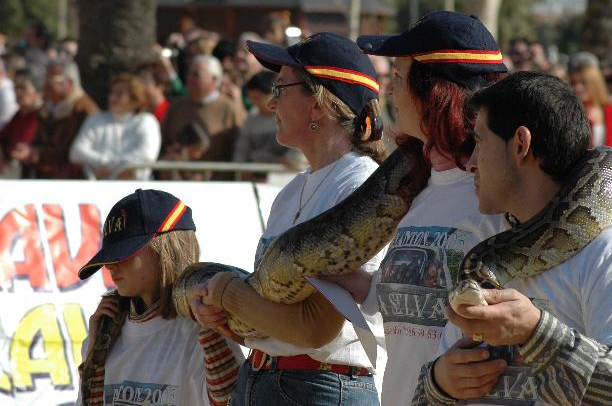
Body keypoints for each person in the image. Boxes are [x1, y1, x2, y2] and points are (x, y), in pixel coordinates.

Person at [417, 72, 612, 404]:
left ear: (521, 144)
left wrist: (536, 332)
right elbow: (423, 397)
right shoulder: (480, 246)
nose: (471, 163)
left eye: (479, 142)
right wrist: (440, 383)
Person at [190, 32, 387, 405]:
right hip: (272, 379)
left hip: (320, 388)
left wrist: (228, 295)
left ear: (318, 104)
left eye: (281, 88)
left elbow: (314, 329)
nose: (270, 101)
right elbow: (275, 316)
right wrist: (226, 319)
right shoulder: (292, 191)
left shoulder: (359, 187)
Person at [327, 11, 509, 406]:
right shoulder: (418, 188)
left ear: (434, 92)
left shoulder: (499, 198)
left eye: (396, 78)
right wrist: (354, 282)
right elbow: (414, 309)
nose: (388, 92)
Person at [75, 189, 243, 405]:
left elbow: (228, 401)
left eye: (123, 253)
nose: (109, 265)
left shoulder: (205, 327)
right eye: (109, 255)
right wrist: (92, 358)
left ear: (165, 249)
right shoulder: (103, 332)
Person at [11, 60, 99, 178]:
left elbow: (75, 152)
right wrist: (30, 150)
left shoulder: (85, 111)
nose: (45, 84)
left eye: (51, 79)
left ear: (69, 83)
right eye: (45, 78)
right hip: (44, 178)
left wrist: (37, 154)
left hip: (73, 183)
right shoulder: (47, 107)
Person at [161, 54, 246, 174]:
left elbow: (238, 151)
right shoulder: (176, 107)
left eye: (196, 75)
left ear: (214, 79)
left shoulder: (229, 109)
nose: (190, 79)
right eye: (189, 74)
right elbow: (163, 143)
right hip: (175, 180)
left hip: (213, 183)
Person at [69, 74, 161, 180]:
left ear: (135, 99)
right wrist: (106, 163)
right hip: (100, 190)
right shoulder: (96, 119)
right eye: (112, 93)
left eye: (119, 94)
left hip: (138, 190)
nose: (112, 98)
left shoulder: (146, 122)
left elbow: (146, 155)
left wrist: (112, 168)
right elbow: (76, 152)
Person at [232, 70, 305, 172]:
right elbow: (242, 149)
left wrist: (271, 161)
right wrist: (240, 170)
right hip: (255, 176)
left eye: (258, 98)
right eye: (251, 98)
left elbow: (299, 154)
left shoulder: (292, 117)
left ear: (273, 94)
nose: (255, 103)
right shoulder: (252, 118)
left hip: (287, 176)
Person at [569, 64, 612, 156]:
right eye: (574, 83)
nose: (577, 88)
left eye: (583, 83)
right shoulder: (569, 113)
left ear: (595, 84)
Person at [0, 69, 42, 178]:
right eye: (16, 88)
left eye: (23, 88)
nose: (17, 92)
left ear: (38, 91)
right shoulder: (20, 114)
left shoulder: (42, 117)